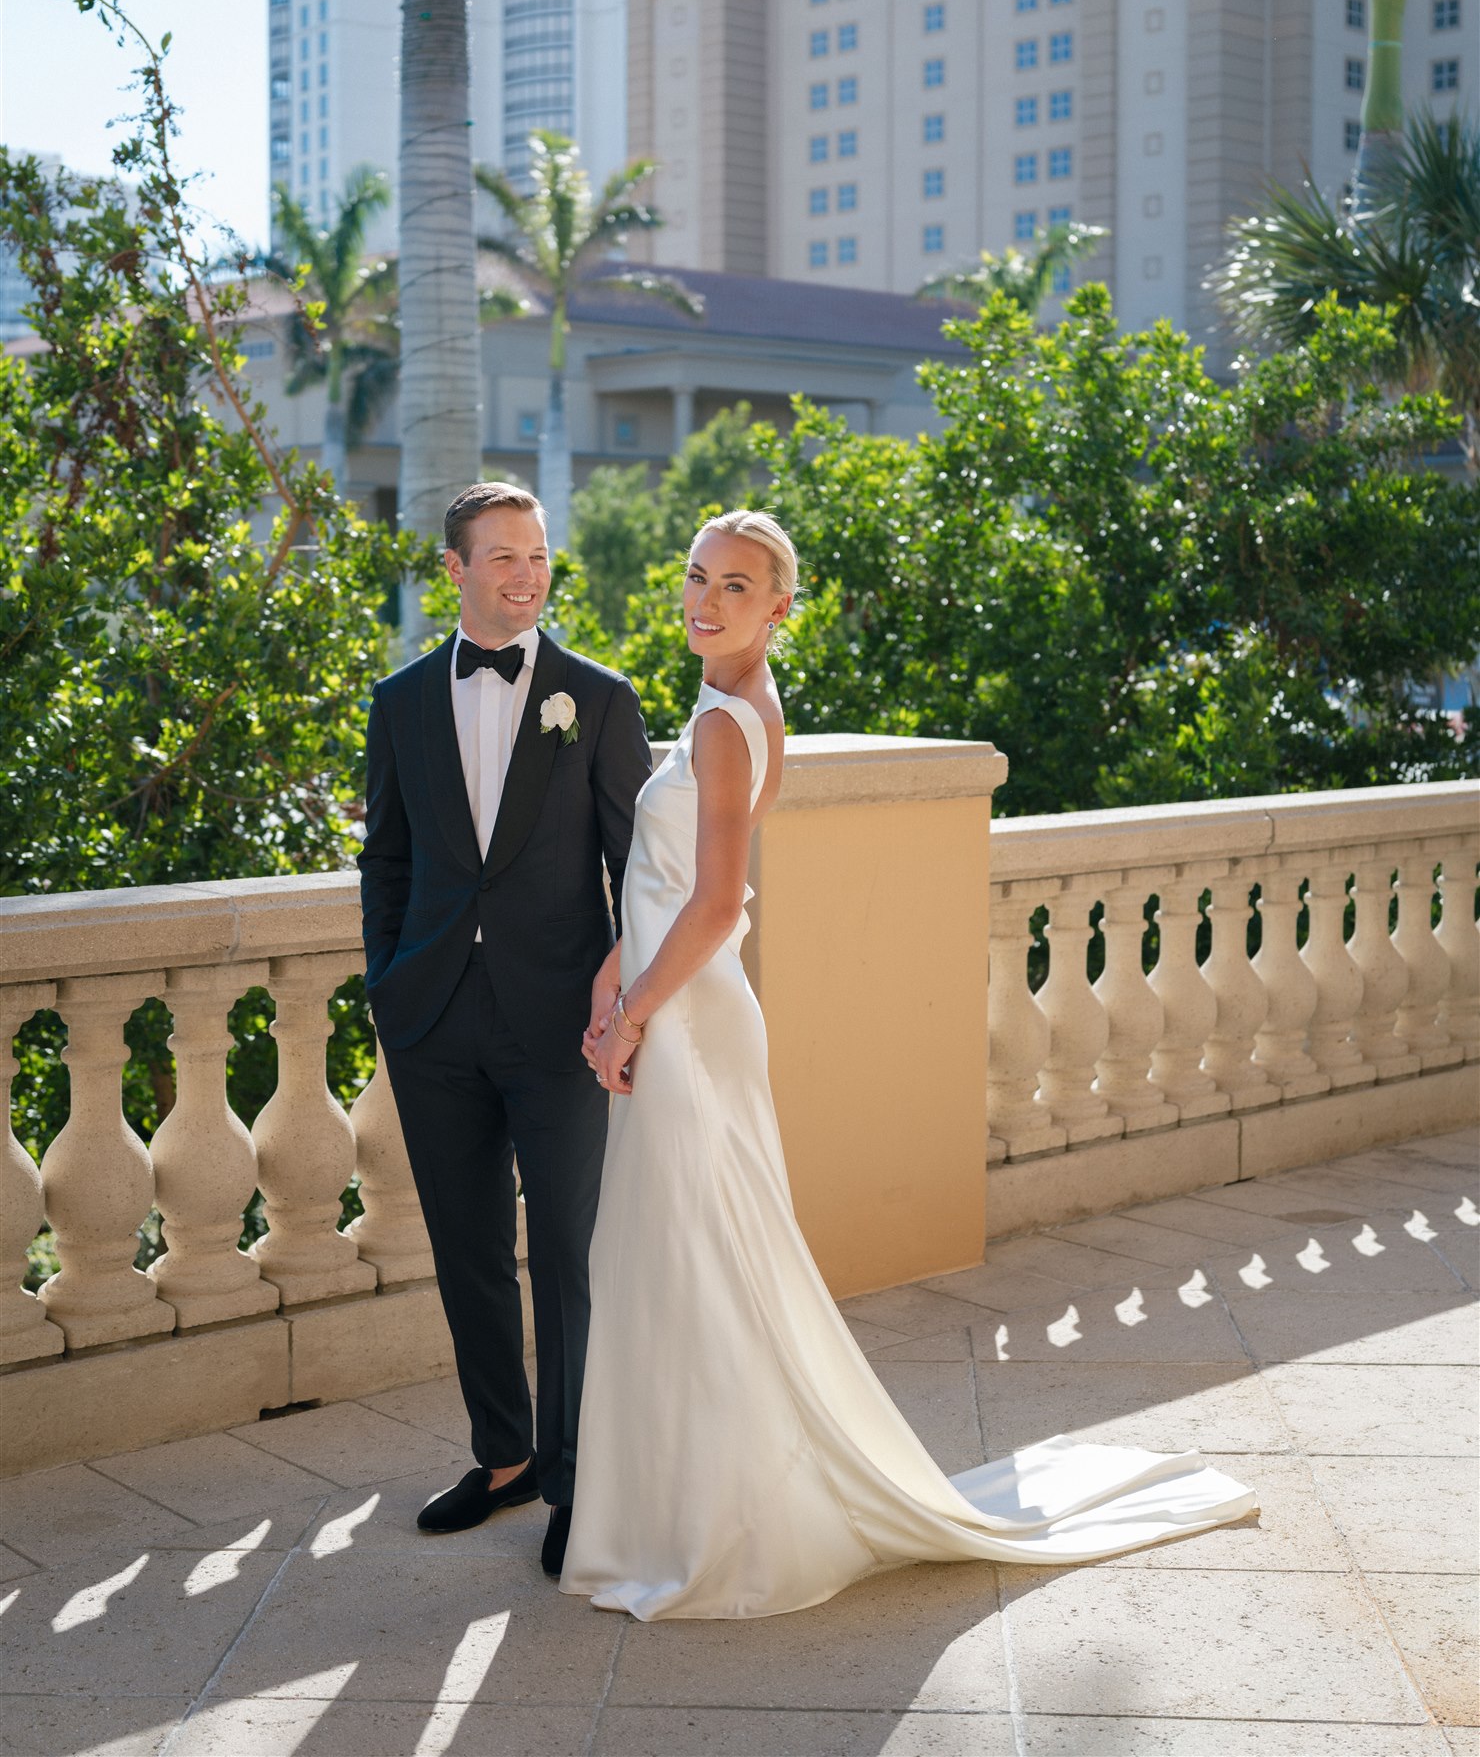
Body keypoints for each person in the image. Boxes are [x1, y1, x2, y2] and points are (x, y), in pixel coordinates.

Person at [562, 508, 1257, 1621]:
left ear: (779, 606)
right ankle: (674, 1509)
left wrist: (630, 1013)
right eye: (697, 574)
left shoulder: (723, 728)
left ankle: (711, 1525)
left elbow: (715, 902)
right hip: (678, 1000)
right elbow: (666, 881)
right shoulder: (726, 706)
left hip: (690, 1019)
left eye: (736, 585)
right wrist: (613, 974)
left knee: (693, 1259)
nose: (705, 598)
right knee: (679, 1259)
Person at [359, 481, 650, 1580]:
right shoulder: (398, 702)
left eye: (537, 555)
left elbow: (638, 870)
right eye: (504, 557)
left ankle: (574, 1480)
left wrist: (618, 1006)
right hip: (433, 1018)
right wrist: (390, 984)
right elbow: (386, 857)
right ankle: (502, 1455)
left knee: (565, 1256)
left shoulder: (598, 698)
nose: (527, 574)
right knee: (467, 1247)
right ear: (456, 569)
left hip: (560, 1024)